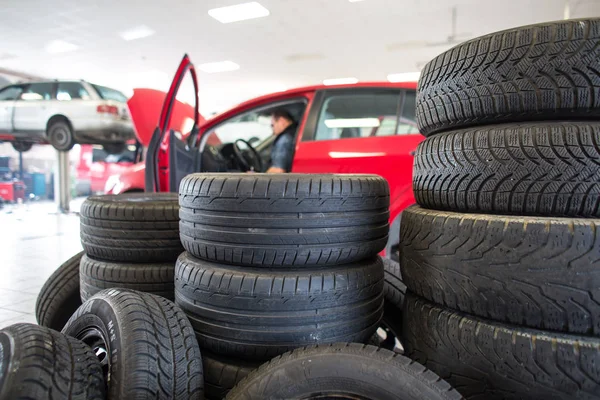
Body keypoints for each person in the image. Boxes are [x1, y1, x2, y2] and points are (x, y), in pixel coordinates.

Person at [267, 108, 297, 173]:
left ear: (281, 121)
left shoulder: (284, 139)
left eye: (272, 125)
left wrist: (256, 177)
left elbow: (278, 171)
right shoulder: (294, 133)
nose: (272, 130)